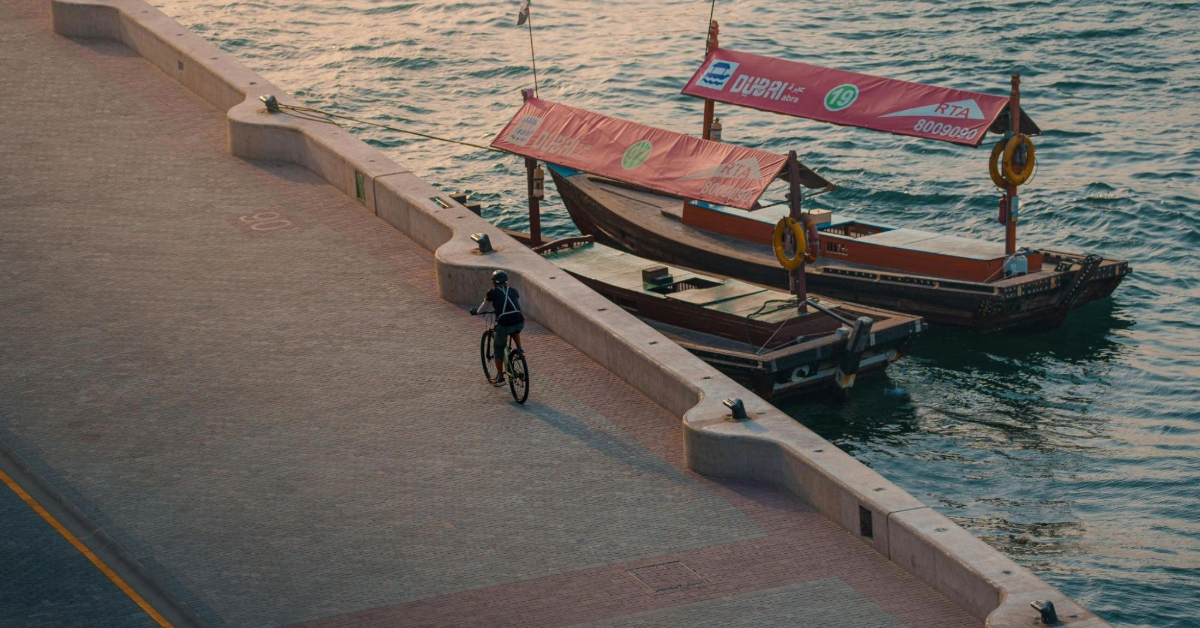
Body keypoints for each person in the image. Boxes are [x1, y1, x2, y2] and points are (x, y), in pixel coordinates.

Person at [470, 270, 525, 385]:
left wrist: (476, 312)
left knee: (498, 348)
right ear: (506, 281)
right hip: (520, 321)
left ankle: (500, 377)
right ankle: (520, 349)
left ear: (494, 282)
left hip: (504, 324)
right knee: (514, 329)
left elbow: (485, 306)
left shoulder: (492, 292)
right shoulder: (513, 290)